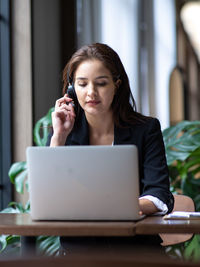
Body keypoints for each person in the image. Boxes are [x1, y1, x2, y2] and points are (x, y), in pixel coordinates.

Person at [49, 43, 174, 252]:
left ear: (116, 85)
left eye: (101, 83)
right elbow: (49, 197)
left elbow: (159, 194)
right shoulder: (63, 132)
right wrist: (59, 137)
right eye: (82, 84)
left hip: (137, 251)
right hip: (78, 253)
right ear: (71, 88)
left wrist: (119, 207)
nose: (91, 93)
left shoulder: (146, 129)